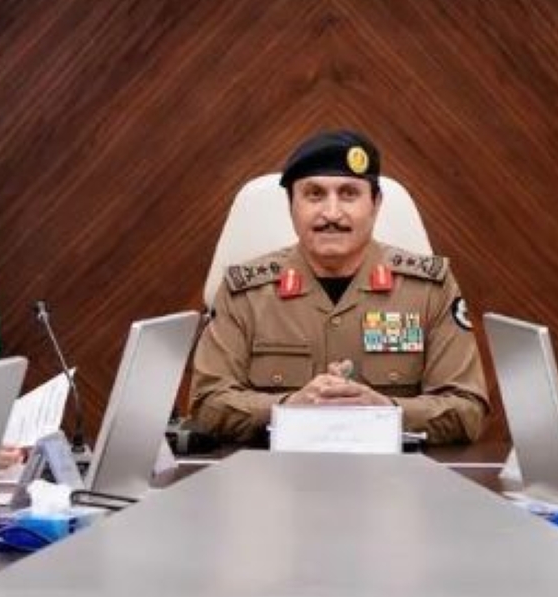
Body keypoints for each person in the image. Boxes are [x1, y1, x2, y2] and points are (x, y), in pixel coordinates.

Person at [189, 130, 488, 444]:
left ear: (375, 204)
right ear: (291, 205)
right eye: (314, 194)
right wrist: (288, 408)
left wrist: (386, 411)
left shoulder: (429, 289)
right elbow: (207, 403)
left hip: (393, 471)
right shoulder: (245, 293)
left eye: (348, 194)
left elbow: (466, 409)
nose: (331, 214)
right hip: (273, 470)